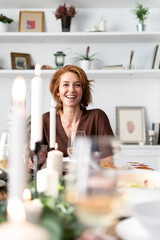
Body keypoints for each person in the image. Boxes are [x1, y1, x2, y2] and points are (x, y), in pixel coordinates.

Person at [42, 65, 114, 168]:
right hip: (55, 181)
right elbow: (33, 161)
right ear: (58, 91)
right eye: (65, 85)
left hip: (89, 181)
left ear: (83, 90)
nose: (71, 90)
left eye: (77, 85)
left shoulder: (97, 117)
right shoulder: (46, 120)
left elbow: (109, 161)